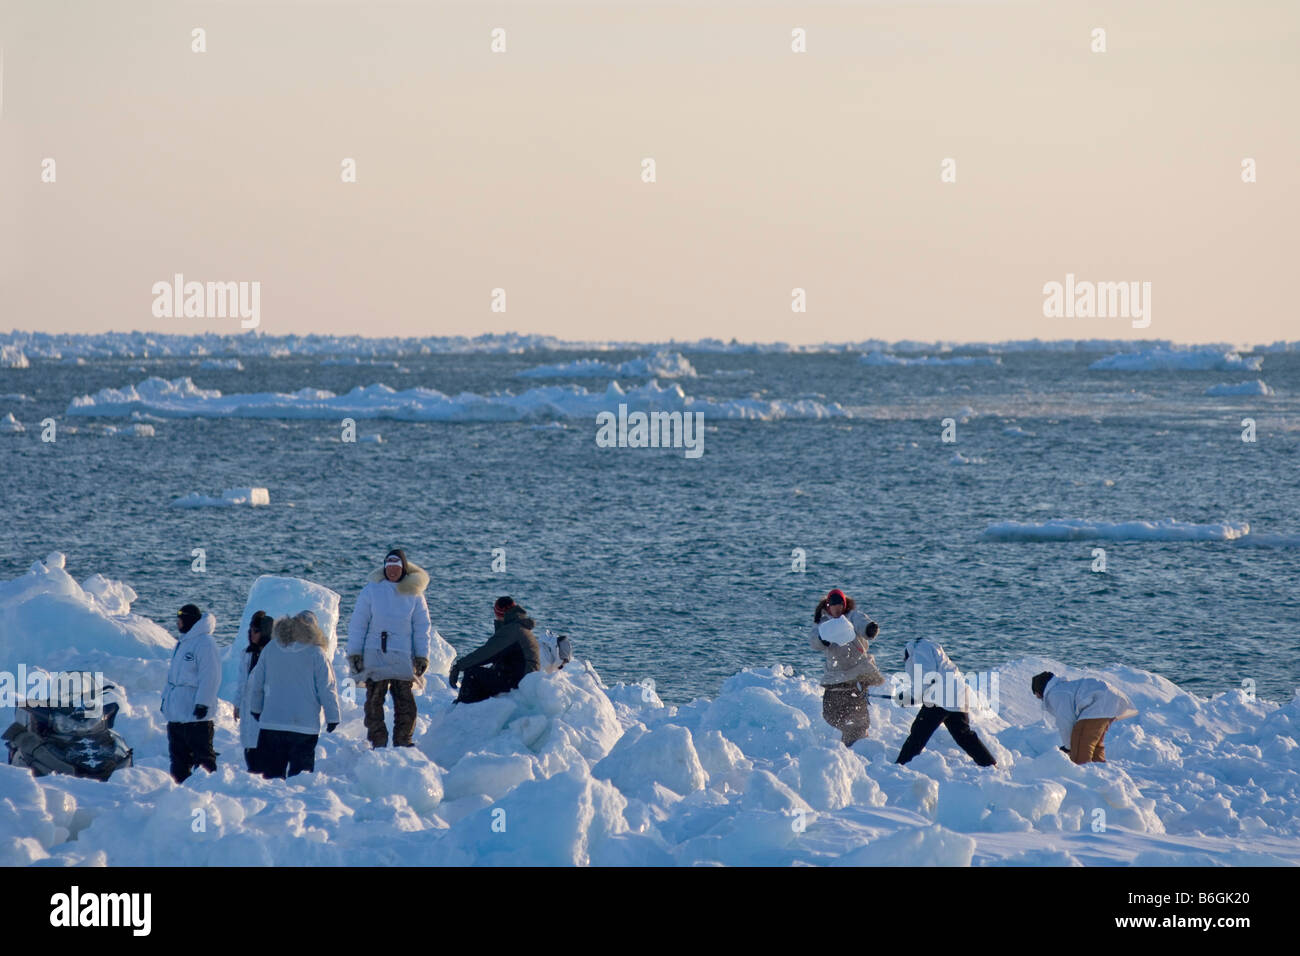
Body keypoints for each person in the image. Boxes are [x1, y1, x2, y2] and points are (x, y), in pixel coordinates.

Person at [346, 549, 432, 748]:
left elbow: (422, 627)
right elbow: (358, 624)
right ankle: (378, 741)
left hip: (402, 657)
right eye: (389, 568)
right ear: (384, 569)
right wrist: (355, 654)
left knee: (406, 705)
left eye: (396, 568)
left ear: (403, 570)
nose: (392, 572)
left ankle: (403, 740)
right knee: (374, 703)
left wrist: (421, 656)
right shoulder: (372, 590)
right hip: (375, 654)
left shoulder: (414, 593)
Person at [247, 610, 341, 778]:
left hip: (272, 724)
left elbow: (257, 682)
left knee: (271, 780)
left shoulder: (271, 648)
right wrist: (332, 717)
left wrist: (256, 708)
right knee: (300, 781)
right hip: (304, 726)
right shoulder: (316, 653)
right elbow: (327, 687)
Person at [895, 638, 996, 767]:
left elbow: (926, 676)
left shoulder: (919, 649)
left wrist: (911, 696)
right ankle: (989, 764)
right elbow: (930, 682)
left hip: (941, 697)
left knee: (918, 733)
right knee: (964, 736)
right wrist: (909, 698)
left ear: (907, 654)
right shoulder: (934, 651)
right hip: (958, 696)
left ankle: (901, 765)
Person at [809, 589, 885, 747]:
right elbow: (813, 641)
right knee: (829, 713)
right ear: (828, 606)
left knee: (858, 715)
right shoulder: (823, 623)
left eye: (840, 605)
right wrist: (822, 640)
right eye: (834, 605)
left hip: (858, 672)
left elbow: (862, 622)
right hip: (836, 675)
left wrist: (870, 628)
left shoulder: (852, 616)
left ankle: (858, 741)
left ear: (844, 605)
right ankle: (851, 732)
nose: (837, 608)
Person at [161, 603, 221, 783]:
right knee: (178, 759)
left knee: (203, 759)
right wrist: (166, 702)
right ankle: (181, 792)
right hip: (177, 716)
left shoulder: (205, 643)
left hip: (197, 717)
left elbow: (211, 676)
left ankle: (209, 789)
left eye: (181, 618)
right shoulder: (184, 642)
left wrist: (203, 703)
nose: (177, 622)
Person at [448, 596, 541, 704]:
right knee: (486, 673)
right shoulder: (519, 627)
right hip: (522, 677)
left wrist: (459, 666)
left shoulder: (512, 630)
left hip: (520, 681)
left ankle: (463, 708)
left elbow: (486, 653)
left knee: (472, 673)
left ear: (499, 614)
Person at [1032, 671, 1138, 765]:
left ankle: (1082, 777)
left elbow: (1066, 721)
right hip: (1108, 701)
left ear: (1039, 690)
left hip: (1099, 703)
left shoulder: (1056, 694)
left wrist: (1069, 747)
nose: (1037, 698)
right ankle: (1100, 771)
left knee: (1080, 747)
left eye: (1036, 694)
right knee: (1093, 745)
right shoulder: (1063, 688)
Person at [233, 610, 274, 773]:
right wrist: (237, 705)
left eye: (255, 631)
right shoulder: (247, 654)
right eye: (250, 630)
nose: (251, 634)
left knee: (264, 750)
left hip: (265, 711)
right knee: (250, 748)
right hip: (248, 707)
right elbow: (241, 682)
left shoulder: (273, 655)